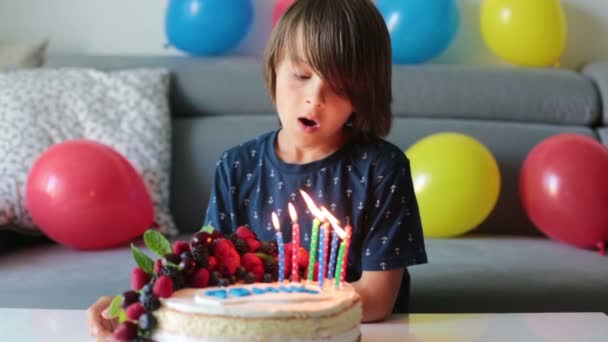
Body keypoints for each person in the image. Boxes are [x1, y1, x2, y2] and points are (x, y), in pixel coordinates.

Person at [88, 0, 427, 337]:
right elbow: (204, 276)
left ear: (363, 96)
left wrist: (288, 310)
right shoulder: (237, 166)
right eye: (301, 75)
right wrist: (137, 304)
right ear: (274, 68)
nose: (314, 98)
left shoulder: (382, 169)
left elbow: (378, 299)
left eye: (339, 87)